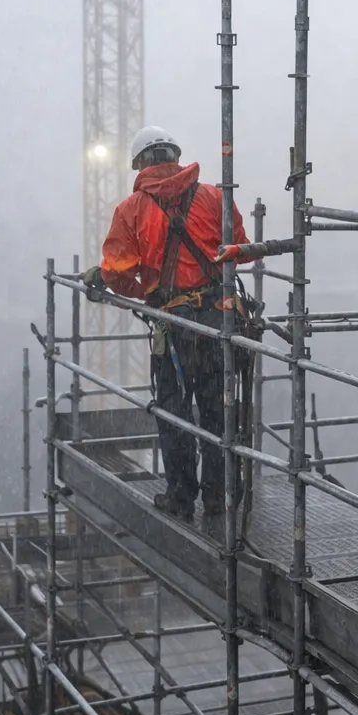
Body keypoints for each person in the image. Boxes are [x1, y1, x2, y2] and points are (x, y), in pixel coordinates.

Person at [82, 126, 252, 522]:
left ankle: (180, 496)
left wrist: (150, 293)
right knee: (218, 410)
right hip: (217, 321)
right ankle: (218, 497)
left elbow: (117, 274)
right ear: (175, 156)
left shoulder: (131, 210)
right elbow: (239, 248)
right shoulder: (213, 195)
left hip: (174, 326)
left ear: (140, 164)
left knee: (175, 412)